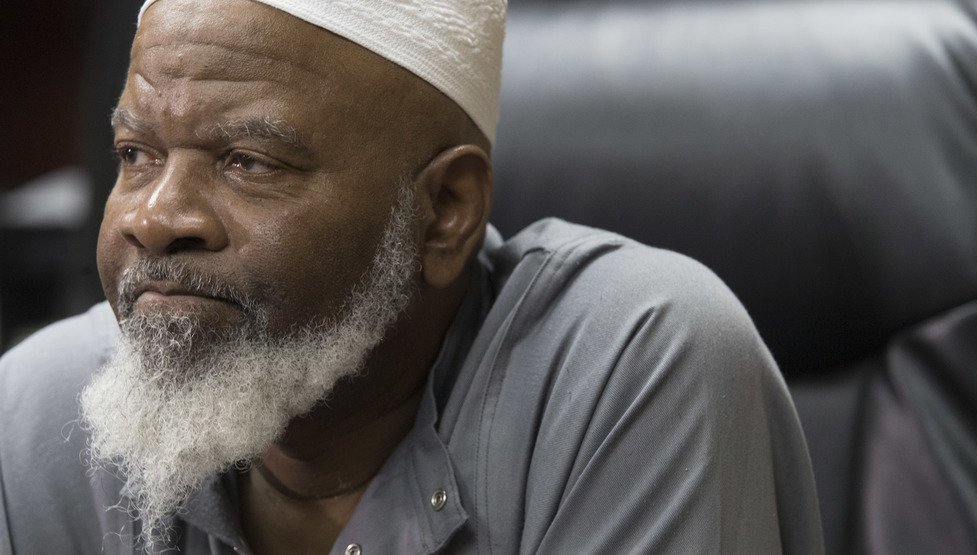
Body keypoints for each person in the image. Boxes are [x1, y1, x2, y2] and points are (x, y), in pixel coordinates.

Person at [0, 0, 823, 553]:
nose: (153, 216)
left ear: (445, 211)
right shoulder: (39, 416)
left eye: (248, 161)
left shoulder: (635, 361)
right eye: (136, 155)